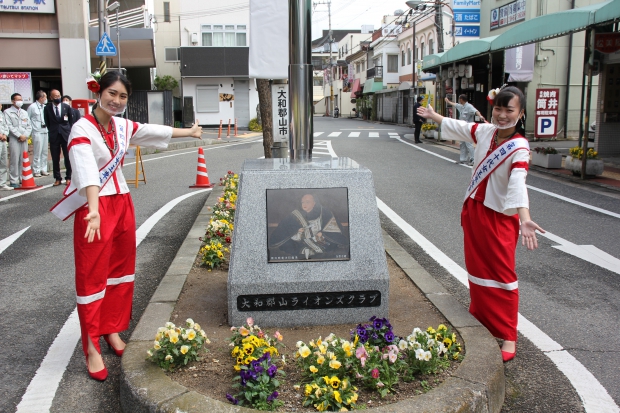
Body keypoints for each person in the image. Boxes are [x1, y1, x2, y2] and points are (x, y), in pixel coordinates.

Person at [50, 71, 203, 381]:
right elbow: (86, 172)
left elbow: (148, 131)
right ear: (99, 92)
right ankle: (91, 345)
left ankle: (112, 329)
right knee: (92, 276)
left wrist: (189, 133)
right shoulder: (81, 128)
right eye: (112, 94)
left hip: (122, 204)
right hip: (97, 208)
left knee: (121, 272)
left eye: (123, 96)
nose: (117, 101)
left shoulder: (121, 125)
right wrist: (93, 210)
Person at [417, 86, 545, 362]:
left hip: (499, 217)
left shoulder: (520, 148)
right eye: (498, 109)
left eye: (509, 110)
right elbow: (461, 127)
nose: (501, 115)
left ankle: (509, 335)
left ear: (520, 114)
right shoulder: (485, 132)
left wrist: (524, 219)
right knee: (476, 269)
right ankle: (482, 318)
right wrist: (433, 115)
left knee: (502, 274)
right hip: (475, 209)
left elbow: (518, 183)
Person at [268, 193, 349, 260]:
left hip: (319, 240)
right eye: (303, 202)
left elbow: (334, 228)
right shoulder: (295, 214)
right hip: (300, 240)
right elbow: (283, 228)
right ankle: (305, 250)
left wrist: (322, 233)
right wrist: (296, 230)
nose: (304, 204)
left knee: (332, 245)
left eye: (307, 202)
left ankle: (311, 250)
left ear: (314, 203)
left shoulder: (324, 212)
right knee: (288, 245)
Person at [44, 89, 75, 187]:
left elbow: (70, 121)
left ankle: (69, 177)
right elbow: (47, 122)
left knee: (67, 157)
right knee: (55, 158)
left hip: (65, 134)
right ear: (51, 97)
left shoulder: (66, 107)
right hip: (54, 135)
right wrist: (53, 130)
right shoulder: (47, 108)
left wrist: (68, 131)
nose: (57, 98)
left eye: (58, 96)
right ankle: (57, 178)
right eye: (55, 96)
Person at [445, 94, 484, 165]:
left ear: (461, 99)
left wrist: (480, 116)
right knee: (462, 143)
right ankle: (463, 159)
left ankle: (473, 160)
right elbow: (455, 104)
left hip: (468, 128)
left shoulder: (469, 106)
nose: (459, 100)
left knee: (469, 144)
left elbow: (476, 111)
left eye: (459, 99)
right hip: (461, 128)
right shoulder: (461, 106)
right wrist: (448, 102)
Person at [4, 93, 32, 188]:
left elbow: (29, 126)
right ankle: (14, 180)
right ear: (13, 101)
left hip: (24, 138)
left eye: (21, 99)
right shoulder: (7, 112)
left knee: (23, 159)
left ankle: (22, 178)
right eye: (17, 99)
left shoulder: (24, 112)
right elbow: (9, 126)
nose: (20, 101)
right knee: (14, 159)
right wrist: (19, 135)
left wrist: (25, 135)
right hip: (14, 138)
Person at [28, 90, 50, 177]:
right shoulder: (32, 107)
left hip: (45, 130)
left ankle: (43, 169)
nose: (46, 99)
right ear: (41, 98)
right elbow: (28, 118)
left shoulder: (45, 107)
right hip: (37, 131)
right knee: (38, 151)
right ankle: (36, 170)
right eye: (45, 97)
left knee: (44, 151)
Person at [0, 107, 11, 190]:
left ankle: (2, 183)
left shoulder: (1, 114)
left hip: (3, 140)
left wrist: (5, 134)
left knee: (3, 162)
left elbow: (5, 125)